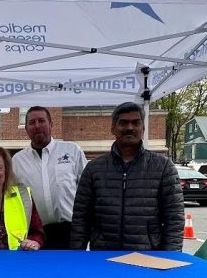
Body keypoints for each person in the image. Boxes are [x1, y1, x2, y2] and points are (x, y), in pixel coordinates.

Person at [70, 102, 185, 252]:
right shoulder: (93, 169)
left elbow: (174, 219)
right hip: (102, 256)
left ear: (143, 129)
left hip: (147, 257)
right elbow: (81, 219)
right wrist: (76, 257)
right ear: (113, 128)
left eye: (135, 123)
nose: (130, 127)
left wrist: (171, 257)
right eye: (123, 123)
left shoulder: (163, 167)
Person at [12, 106, 87, 249]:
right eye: (32, 122)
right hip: (35, 234)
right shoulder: (17, 160)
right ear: (26, 128)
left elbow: (87, 192)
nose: (37, 125)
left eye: (41, 121)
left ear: (51, 124)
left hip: (71, 230)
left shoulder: (72, 150)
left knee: (71, 271)